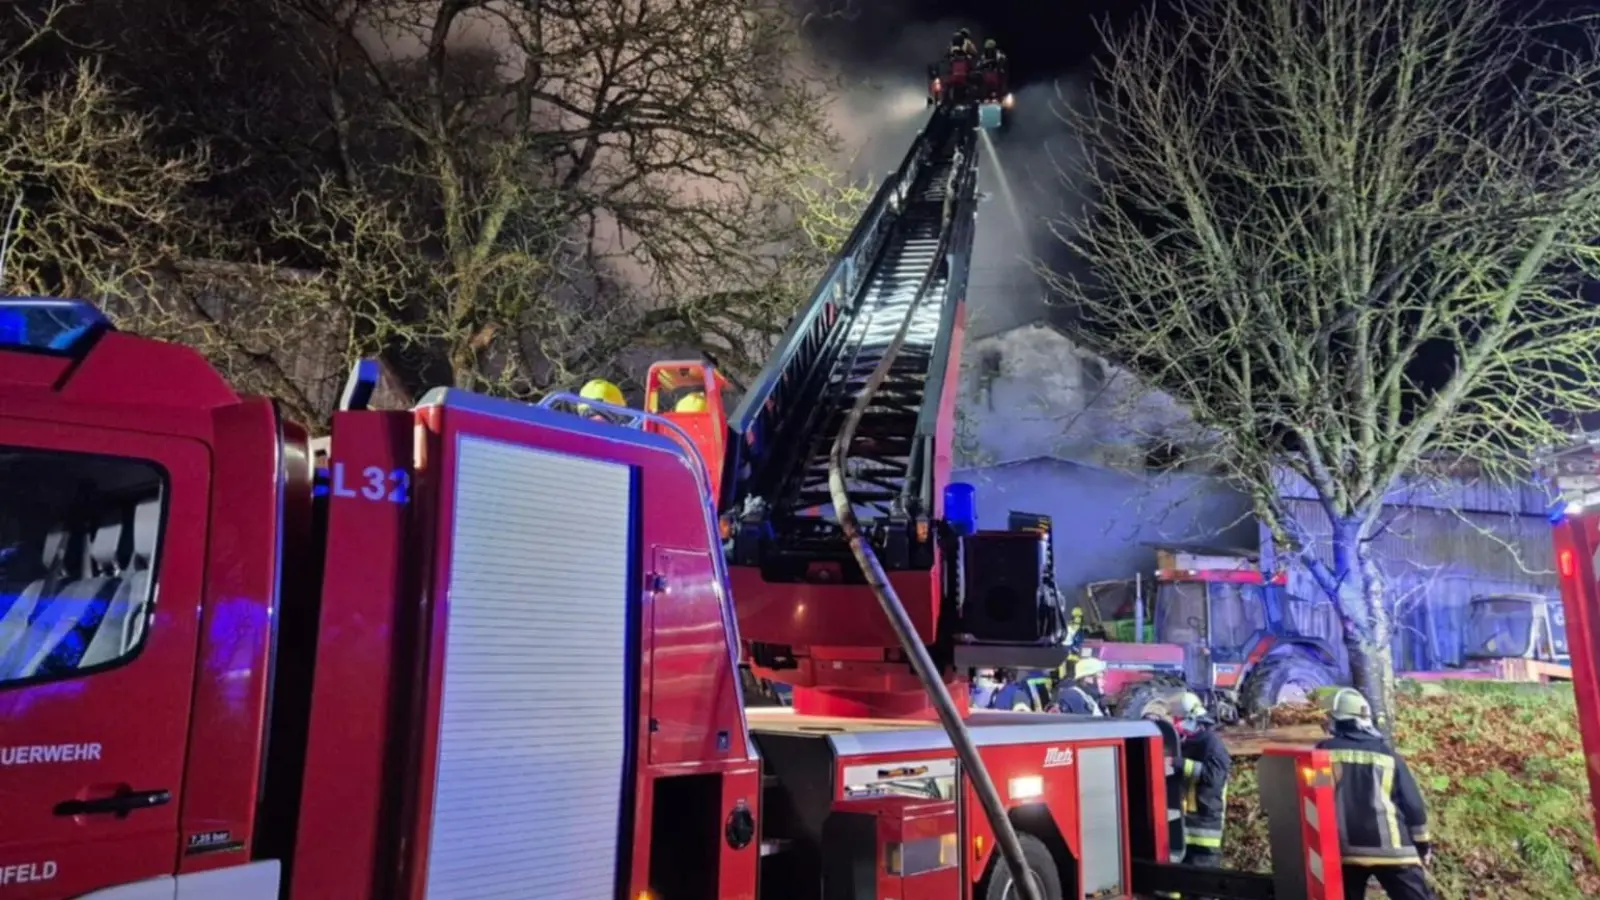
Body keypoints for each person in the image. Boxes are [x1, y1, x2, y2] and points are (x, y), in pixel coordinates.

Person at [1316, 689, 1437, 900]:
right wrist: (1422, 844)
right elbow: (1413, 805)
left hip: (1343, 850)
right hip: (1393, 850)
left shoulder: (1323, 753)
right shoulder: (1388, 756)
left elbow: (1318, 794)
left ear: (1336, 720)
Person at [1175, 692, 1232, 869]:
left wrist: (1182, 765)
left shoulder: (1212, 745)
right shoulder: (1187, 742)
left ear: (1192, 718)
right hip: (1186, 826)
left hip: (1206, 829)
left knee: (1202, 884)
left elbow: (1214, 778)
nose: (1176, 724)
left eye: (1178, 719)